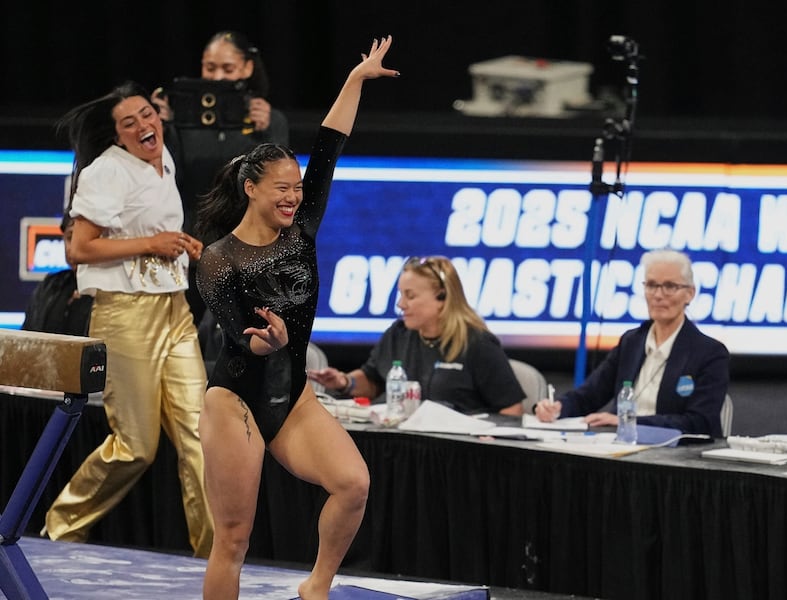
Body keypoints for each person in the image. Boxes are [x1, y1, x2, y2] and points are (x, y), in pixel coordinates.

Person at [193, 36, 397, 600]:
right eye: (281, 189)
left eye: (297, 189)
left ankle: (316, 587)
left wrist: (355, 79)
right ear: (250, 188)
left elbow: (329, 144)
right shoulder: (218, 260)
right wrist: (269, 341)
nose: (292, 198)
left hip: (292, 396)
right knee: (234, 539)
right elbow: (243, 340)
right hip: (235, 400)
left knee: (353, 484)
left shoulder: (302, 228)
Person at [42, 81, 212, 557]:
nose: (143, 126)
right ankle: (60, 527)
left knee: (203, 439)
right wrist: (152, 243)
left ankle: (215, 558)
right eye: (129, 123)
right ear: (116, 135)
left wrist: (180, 245)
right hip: (125, 314)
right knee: (136, 447)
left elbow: (153, 228)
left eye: (147, 115)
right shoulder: (106, 171)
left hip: (175, 309)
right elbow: (79, 249)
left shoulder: (164, 160)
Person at [534, 249, 730, 436]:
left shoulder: (710, 353)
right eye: (651, 285)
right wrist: (558, 408)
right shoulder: (631, 342)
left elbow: (699, 422)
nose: (658, 295)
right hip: (621, 446)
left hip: (677, 453)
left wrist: (628, 421)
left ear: (690, 293)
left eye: (670, 286)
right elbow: (589, 395)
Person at [307, 255, 526, 416]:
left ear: (442, 297)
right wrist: (345, 381)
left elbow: (512, 410)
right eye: (401, 295)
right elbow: (373, 380)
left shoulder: (478, 343)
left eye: (410, 296)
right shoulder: (398, 333)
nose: (400, 304)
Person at [155, 30, 289, 238]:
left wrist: (267, 136)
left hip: (247, 238)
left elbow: (278, 186)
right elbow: (168, 180)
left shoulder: (270, 120)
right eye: (210, 68)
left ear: (247, 68)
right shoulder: (181, 119)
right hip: (192, 236)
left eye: (228, 69)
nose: (217, 77)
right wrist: (159, 130)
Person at [21, 215, 92, 336]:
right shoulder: (50, 285)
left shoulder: (109, 294)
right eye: (70, 238)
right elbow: (26, 338)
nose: (74, 248)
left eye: (83, 239)